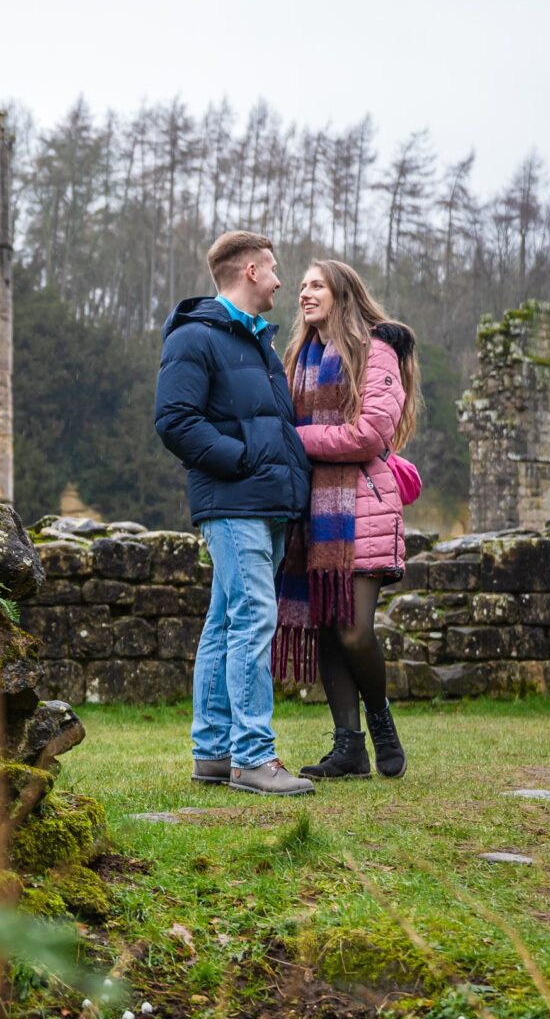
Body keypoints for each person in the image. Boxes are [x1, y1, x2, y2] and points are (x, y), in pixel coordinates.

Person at [154, 231, 315, 796]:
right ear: (249, 271)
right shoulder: (196, 337)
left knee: (225, 623)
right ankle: (253, 757)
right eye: (272, 269)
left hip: (265, 503)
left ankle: (214, 753)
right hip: (235, 502)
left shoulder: (259, 344)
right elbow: (174, 420)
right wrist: (241, 461)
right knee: (252, 620)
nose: (279, 280)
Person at [272, 259, 418, 781]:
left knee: (354, 630)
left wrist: (297, 441)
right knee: (326, 629)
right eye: (303, 286)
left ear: (342, 294)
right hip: (312, 513)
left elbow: (371, 435)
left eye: (317, 286)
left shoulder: (375, 351)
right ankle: (349, 748)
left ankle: (381, 725)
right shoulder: (297, 358)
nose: (305, 293)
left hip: (365, 508)